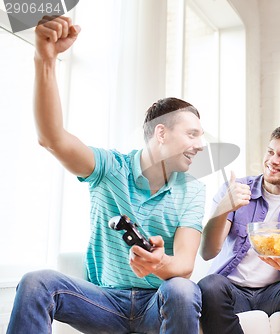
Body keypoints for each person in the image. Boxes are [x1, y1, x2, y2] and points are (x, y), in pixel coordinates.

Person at [7, 16, 206, 334]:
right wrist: (45, 59)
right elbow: (52, 138)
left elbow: (183, 264)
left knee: (182, 289)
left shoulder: (191, 190)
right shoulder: (109, 168)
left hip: (157, 303)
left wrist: (159, 264)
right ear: (162, 133)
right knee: (36, 283)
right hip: (102, 303)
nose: (200, 145)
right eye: (192, 134)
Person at [198, 125, 280, 334]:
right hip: (232, 289)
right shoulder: (237, 190)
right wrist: (223, 209)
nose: (273, 160)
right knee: (209, 285)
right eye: (270, 152)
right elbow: (208, 251)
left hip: (278, 293)